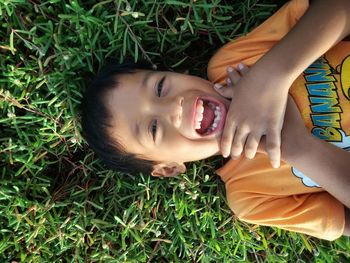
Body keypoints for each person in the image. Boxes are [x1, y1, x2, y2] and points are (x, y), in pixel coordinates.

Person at [81, 0, 350, 240]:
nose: (173, 106)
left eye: (161, 87)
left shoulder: (235, 63)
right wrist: (297, 147)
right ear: (169, 169)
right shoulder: (251, 196)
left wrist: (272, 74)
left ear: (176, 72)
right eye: (153, 128)